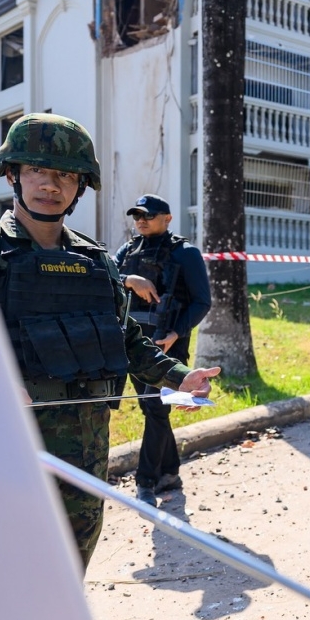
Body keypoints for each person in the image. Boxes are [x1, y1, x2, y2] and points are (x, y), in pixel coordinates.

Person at [0, 113, 219, 570]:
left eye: (65, 175)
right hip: (6, 455)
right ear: (13, 174)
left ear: (80, 186)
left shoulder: (95, 259)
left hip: (86, 455)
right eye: (37, 171)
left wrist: (180, 375)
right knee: (1, 577)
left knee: (69, 574)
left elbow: (126, 339)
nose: (51, 185)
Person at [114, 194, 212, 505]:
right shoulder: (127, 251)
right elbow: (107, 282)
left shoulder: (185, 253)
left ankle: (146, 482)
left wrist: (176, 332)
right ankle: (170, 471)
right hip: (132, 344)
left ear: (167, 219)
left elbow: (201, 301)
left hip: (166, 345)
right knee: (151, 408)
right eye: (136, 216)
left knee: (156, 408)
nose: (140, 220)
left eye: (148, 215)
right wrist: (130, 279)